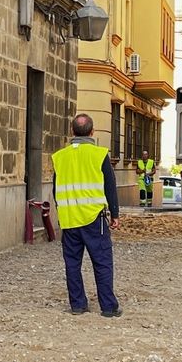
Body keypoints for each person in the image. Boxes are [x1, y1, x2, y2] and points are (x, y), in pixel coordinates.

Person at [52, 115, 122, 317]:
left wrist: (63, 210)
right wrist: (115, 214)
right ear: (92, 132)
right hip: (94, 218)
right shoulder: (99, 155)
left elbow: (57, 189)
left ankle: (78, 305)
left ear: (72, 132)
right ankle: (108, 307)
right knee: (102, 262)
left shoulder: (60, 157)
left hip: (69, 218)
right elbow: (110, 186)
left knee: (72, 263)